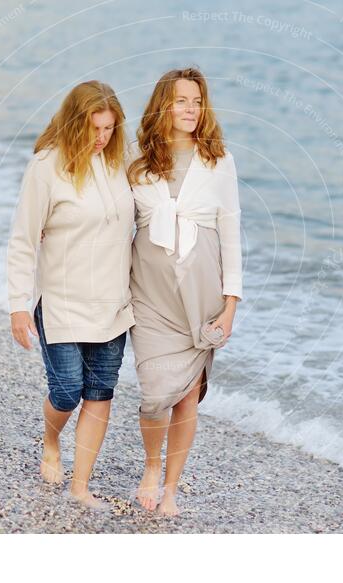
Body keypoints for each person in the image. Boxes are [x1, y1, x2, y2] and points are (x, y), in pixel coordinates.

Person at [6, 80, 135, 510]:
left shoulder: (120, 160)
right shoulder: (47, 167)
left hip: (113, 304)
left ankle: (80, 486)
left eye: (109, 129)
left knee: (100, 392)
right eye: (95, 129)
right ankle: (50, 438)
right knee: (66, 392)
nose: (102, 138)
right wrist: (17, 306)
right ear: (75, 123)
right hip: (60, 302)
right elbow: (23, 239)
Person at [126, 67, 243, 516]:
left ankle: (170, 485)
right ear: (163, 105)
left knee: (187, 395)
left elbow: (231, 234)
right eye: (180, 101)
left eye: (196, 101)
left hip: (202, 296)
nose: (190, 109)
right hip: (150, 295)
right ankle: (151, 467)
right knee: (155, 394)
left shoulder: (220, 161)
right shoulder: (136, 159)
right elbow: (110, 212)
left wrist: (230, 307)